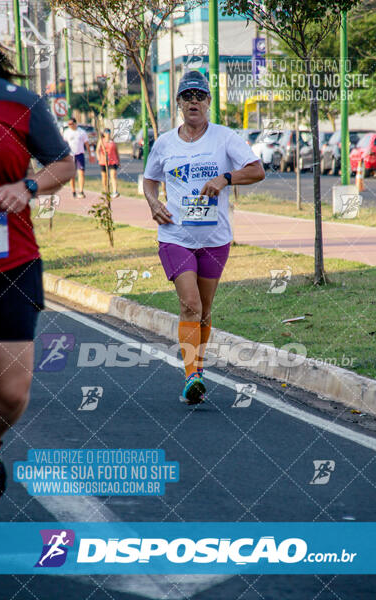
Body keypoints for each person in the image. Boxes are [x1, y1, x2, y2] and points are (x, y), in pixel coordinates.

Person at [143, 70, 265, 405]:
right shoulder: (165, 143)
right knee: (190, 303)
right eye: (187, 96)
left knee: (206, 309)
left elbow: (257, 170)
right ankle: (191, 375)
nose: (193, 101)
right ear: (179, 103)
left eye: (200, 95)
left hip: (215, 238)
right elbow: (150, 180)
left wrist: (225, 178)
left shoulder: (225, 138)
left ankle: (196, 370)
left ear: (209, 102)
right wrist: (154, 203)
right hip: (175, 235)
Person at [0, 40, 74, 499]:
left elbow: (63, 163)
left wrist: (27, 186)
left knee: (10, 393)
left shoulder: (19, 103)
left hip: (11, 264)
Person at [63, 117, 94, 198]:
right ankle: (73, 191)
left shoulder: (81, 132)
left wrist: (90, 155)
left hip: (80, 154)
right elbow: (63, 143)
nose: (70, 125)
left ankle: (81, 191)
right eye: (68, 124)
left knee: (81, 173)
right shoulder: (66, 132)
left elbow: (87, 143)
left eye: (71, 124)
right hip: (70, 155)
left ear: (75, 123)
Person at [96, 128, 121, 198]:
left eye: (109, 132)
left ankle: (115, 191)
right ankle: (106, 191)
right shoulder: (101, 141)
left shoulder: (113, 141)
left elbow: (117, 151)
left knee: (113, 176)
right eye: (106, 132)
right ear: (104, 133)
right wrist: (98, 158)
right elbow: (97, 150)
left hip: (113, 161)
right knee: (104, 177)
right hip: (103, 161)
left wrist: (118, 161)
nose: (108, 134)